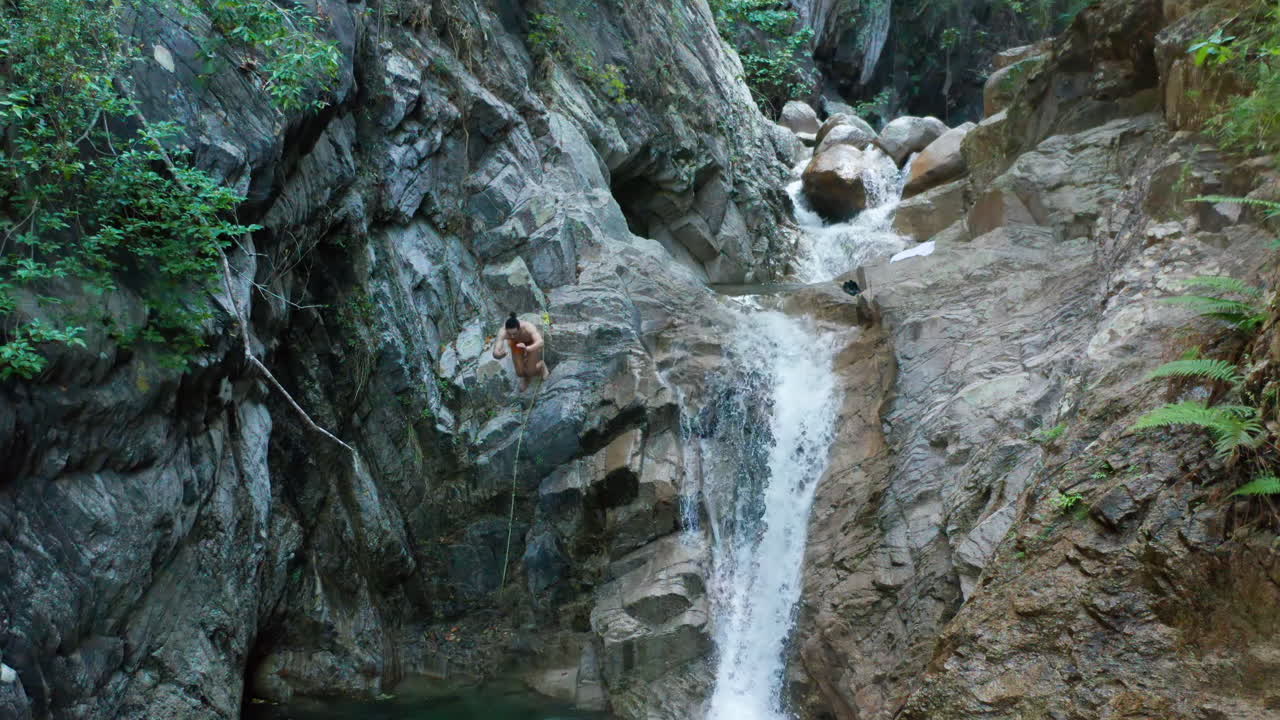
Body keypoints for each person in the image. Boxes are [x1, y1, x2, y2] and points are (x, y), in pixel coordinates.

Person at [492, 312, 549, 390]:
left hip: (531, 343)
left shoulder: (527, 327)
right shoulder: (503, 331)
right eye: (509, 334)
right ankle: (526, 378)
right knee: (520, 373)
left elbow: (540, 342)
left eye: (514, 334)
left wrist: (528, 348)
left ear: (519, 328)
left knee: (530, 371)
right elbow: (496, 350)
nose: (512, 336)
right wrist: (498, 354)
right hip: (517, 344)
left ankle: (541, 366)